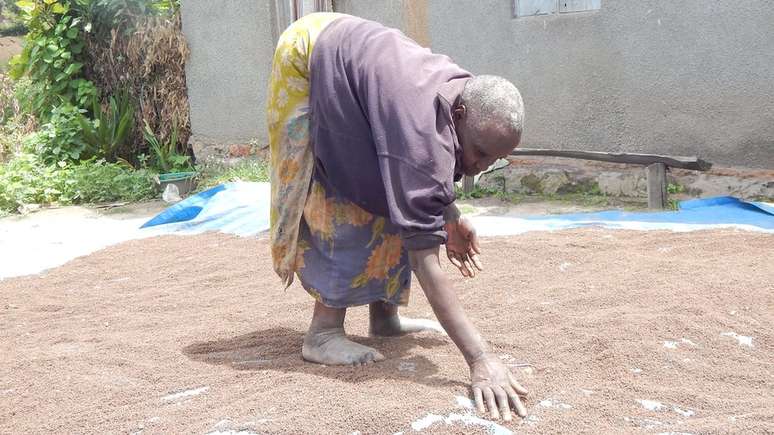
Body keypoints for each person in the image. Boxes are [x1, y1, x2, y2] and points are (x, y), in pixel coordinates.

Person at [267, 12, 528, 420]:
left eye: (494, 160)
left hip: (355, 57)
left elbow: (421, 182)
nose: (478, 166)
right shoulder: (422, 131)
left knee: (393, 191)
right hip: (310, 52)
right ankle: (323, 333)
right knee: (343, 187)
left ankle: (383, 317)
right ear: (459, 116)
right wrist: (480, 359)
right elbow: (426, 257)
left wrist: (449, 211)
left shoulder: (466, 99)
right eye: (478, 152)